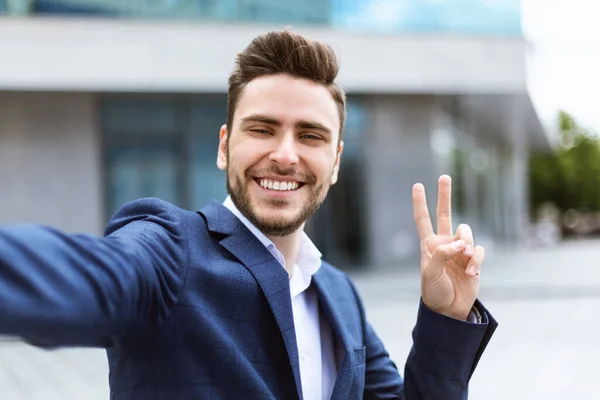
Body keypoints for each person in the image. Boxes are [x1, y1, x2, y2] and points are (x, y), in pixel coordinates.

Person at [0, 30, 497, 399]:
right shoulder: (170, 249)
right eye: (262, 129)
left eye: (310, 135)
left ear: (337, 161)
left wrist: (445, 317)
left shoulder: (340, 294)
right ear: (224, 146)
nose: (285, 155)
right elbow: (79, 276)